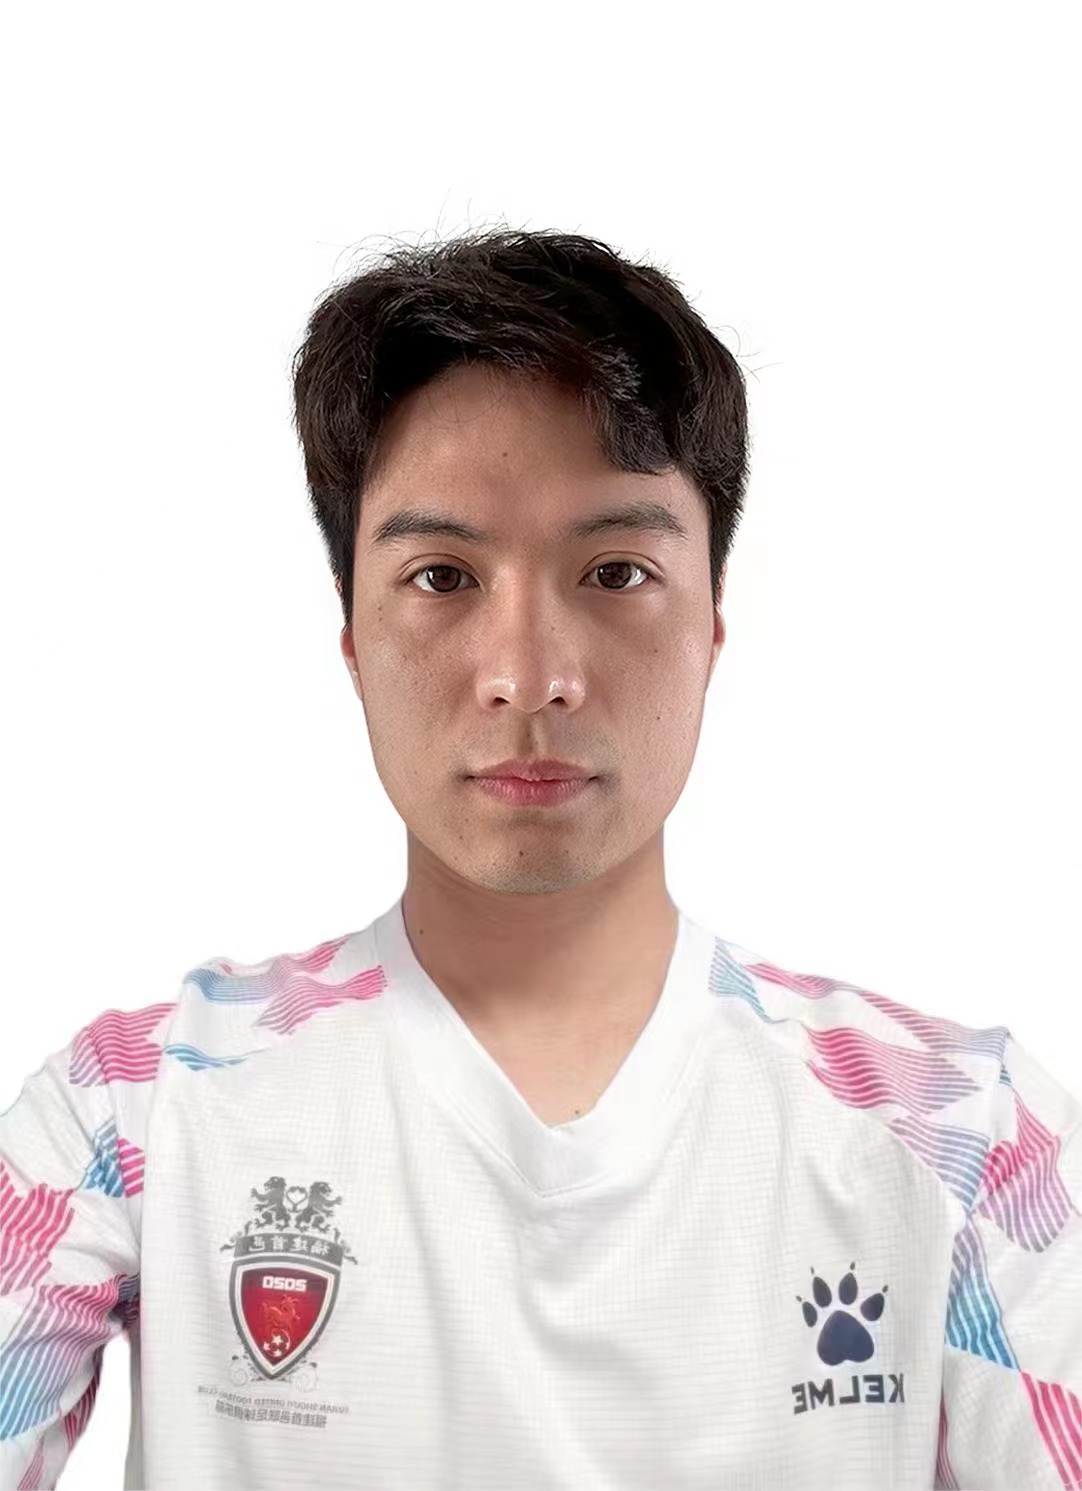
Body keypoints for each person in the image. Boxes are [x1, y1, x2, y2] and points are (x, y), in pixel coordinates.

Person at [1, 228, 1079, 1491]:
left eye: (614, 571)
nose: (528, 676)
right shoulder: (138, 1114)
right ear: (351, 636)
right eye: (441, 576)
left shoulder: (959, 1136)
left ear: (710, 625)